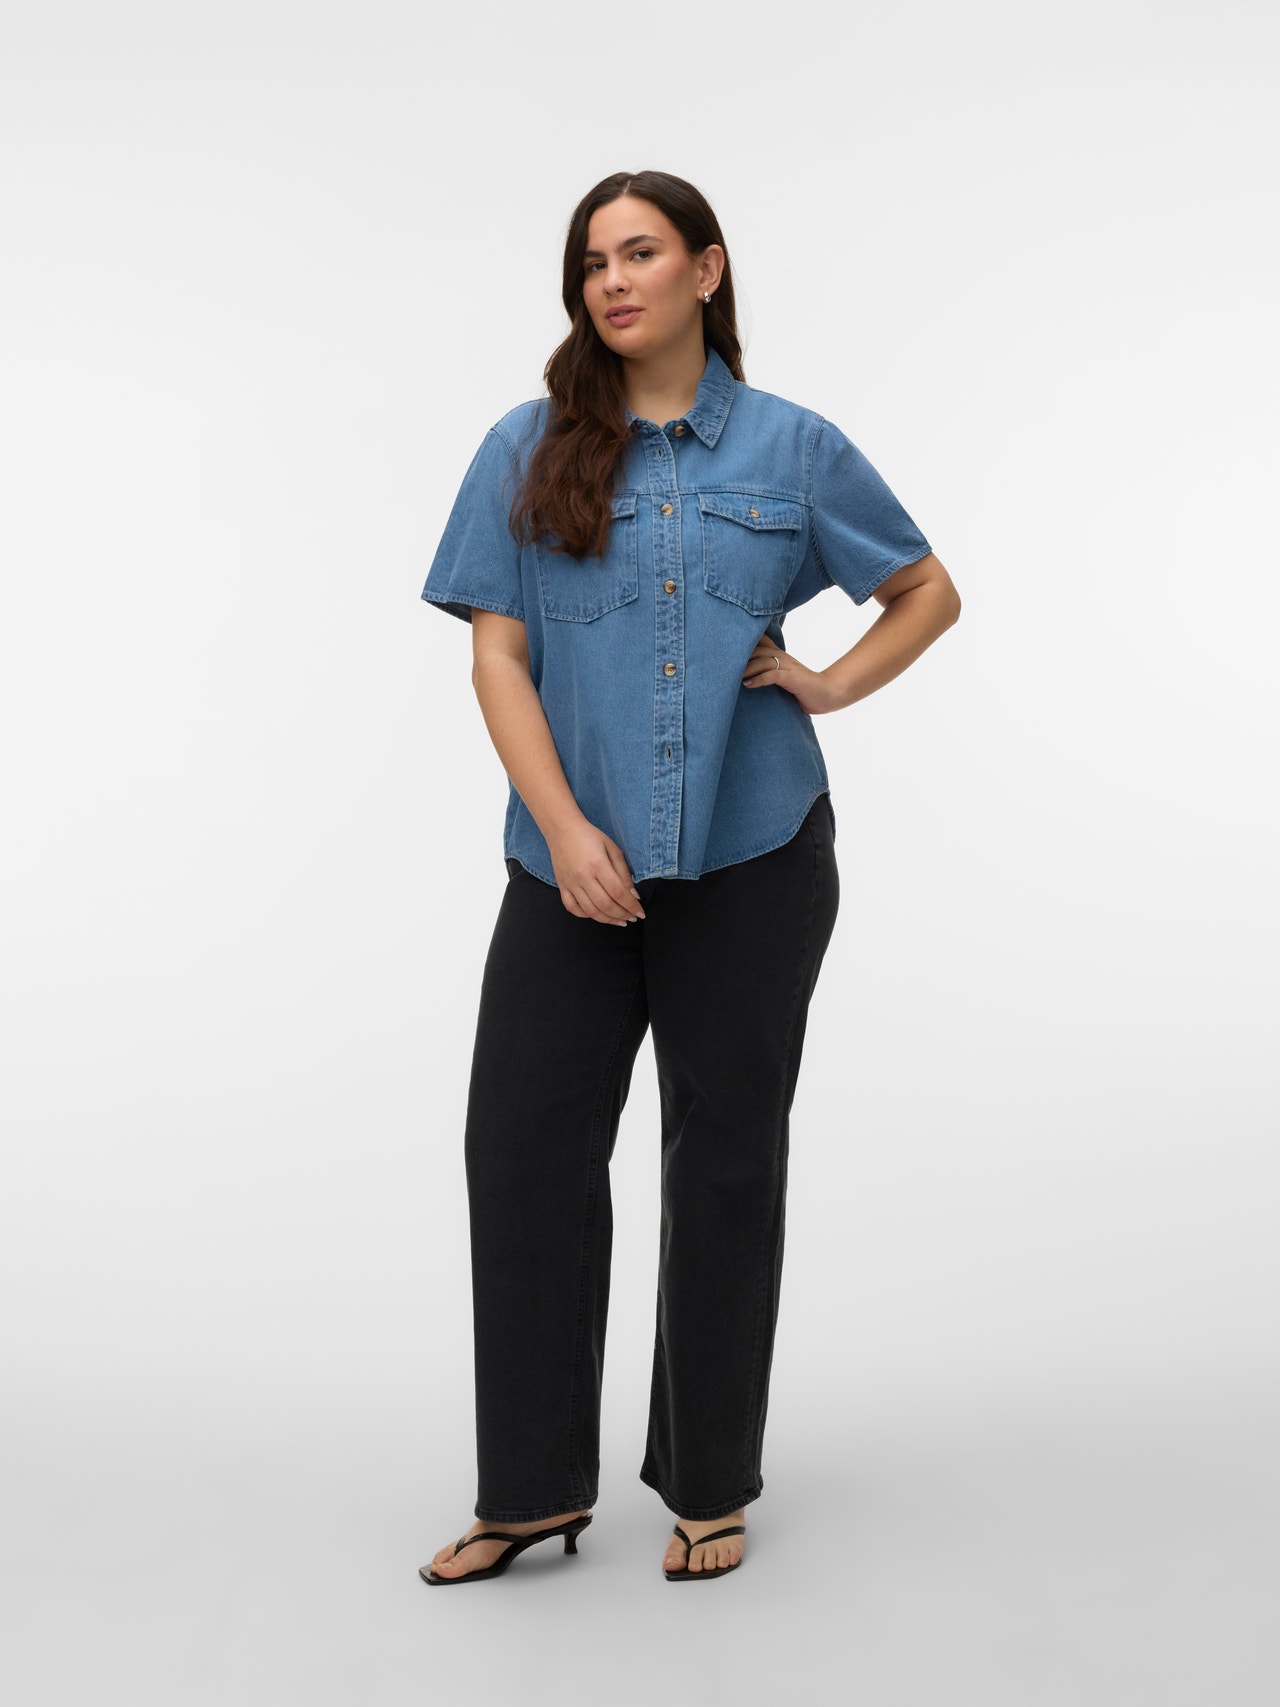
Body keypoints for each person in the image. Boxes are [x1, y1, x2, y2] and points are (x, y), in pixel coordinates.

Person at [418, 170, 960, 1586]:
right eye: (592, 260)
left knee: (722, 1161)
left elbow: (927, 590)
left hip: (755, 851)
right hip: (568, 865)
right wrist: (567, 830)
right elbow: (497, 656)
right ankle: (529, 1492)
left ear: (706, 270)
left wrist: (828, 683)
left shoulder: (794, 447)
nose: (612, 280)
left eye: (641, 252)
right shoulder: (523, 446)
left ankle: (710, 1482)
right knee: (522, 1153)